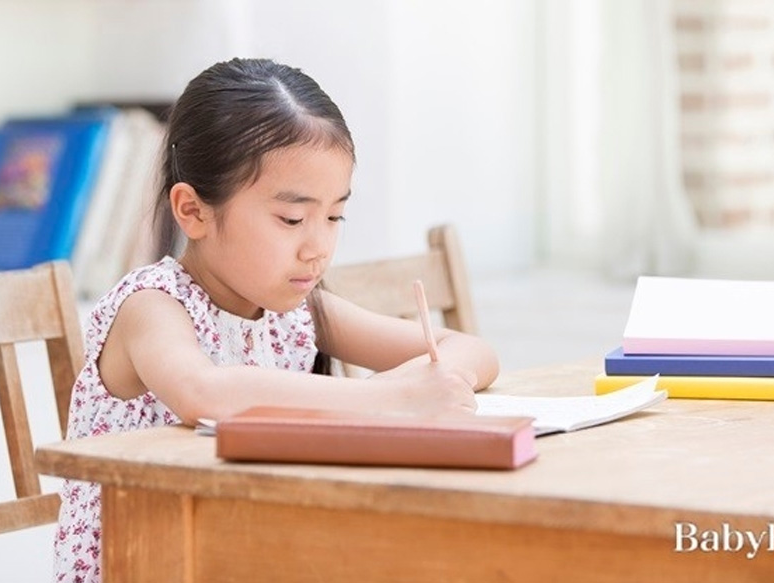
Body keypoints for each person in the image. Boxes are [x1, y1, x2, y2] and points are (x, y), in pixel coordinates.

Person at [52, 57, 499, 582]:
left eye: (334, 217)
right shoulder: (151, 305)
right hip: (148, 560)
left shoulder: (302, 311)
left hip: (248, 553)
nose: (319, 247)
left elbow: (475, 352)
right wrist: (392, 399)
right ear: (193, 211)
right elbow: (203, 393)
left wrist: (435, 380)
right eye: (291, 219)